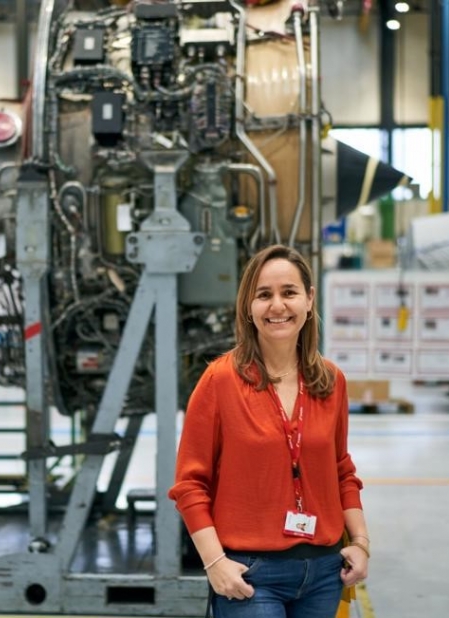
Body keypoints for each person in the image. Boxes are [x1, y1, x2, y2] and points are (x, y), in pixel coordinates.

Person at [168, 244, 369, 618]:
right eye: (264, 295)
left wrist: (360, 542)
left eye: (289, 292)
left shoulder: (331, 381)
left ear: (309, 300)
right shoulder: (220, 381)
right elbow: (189, 485)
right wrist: (215, 563)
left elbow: (341, 470)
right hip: (251, 574)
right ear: (248, 307)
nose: (278, 306)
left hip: (324, 571)